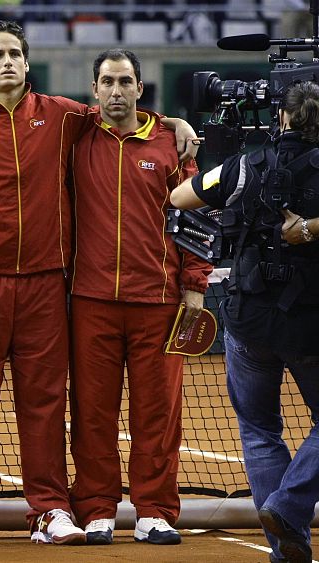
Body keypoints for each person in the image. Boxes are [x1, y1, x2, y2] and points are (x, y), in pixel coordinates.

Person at [0, 20, 198, 547]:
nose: (7, 62)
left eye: (16, 54)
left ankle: (49, 507)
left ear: (27, 63)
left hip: (48, 284)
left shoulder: (66, 117)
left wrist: (174, 122)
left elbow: (126, 116)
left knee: (45, 402)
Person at [67, 48, 210, 547]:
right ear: (94, 90)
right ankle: (97, 509)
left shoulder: (172, 146)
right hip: (91, 301)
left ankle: (154, 511)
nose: (115, 91)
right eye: (106, 82)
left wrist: (194, 285)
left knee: (158, 414)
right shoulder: (76, 136)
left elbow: (195, 219)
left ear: (139, 88)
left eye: (125, 81)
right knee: (92, 413)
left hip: (160, 301)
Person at [171, 81, 319, 563]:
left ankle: (284, 538)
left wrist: (209, 158)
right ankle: (289, 509)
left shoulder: (247, 166)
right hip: (309, 324)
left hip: (249, 321)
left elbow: (180, 198)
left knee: (258, 431)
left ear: (281, 120)